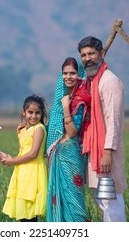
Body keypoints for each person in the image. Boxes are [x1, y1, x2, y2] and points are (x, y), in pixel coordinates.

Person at [78, 36, 127, 222]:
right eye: (83, 55)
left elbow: (113, 121)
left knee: (110, 200)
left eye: (91, 53)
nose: (87, 58)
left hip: (106, 153)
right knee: (101, 200)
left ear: (102, 54)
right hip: (93, 151)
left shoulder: (109, 81)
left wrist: (107, 152)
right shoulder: (90, 82)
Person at [46, 57, 90, 222]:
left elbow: (71, 132)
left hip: (72, 154)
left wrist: (66, 107)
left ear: (79, 75)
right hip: (57, 154)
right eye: (65, 73)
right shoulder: (60, 100)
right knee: (58, 202)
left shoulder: (80, 100)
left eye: (72, 73)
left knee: (75, 205)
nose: (68, 76)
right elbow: (52, 128)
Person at [0, 94, 48, 222]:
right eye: (30, 112)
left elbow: (33, 154)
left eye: (37, 113)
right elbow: (22, 152)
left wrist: (12, 161)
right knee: (23, 213)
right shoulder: (22, 130)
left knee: (30, 213)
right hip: (22, 172)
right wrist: (8, 158)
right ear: (23, 112)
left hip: (33, 171)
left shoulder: (39, 129)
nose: (34, 116)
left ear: (42, 114)